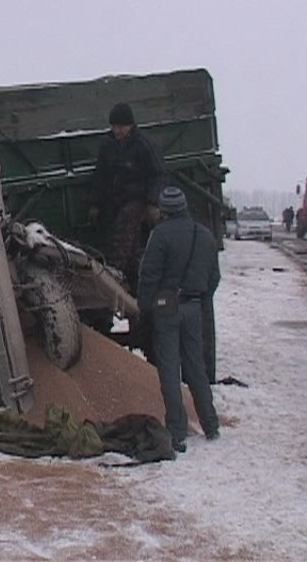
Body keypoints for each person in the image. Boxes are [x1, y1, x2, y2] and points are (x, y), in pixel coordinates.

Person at [137, 186, 220, 453]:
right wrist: (201, 299)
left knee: (170, 369)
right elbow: (214, 277)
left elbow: (148, 275)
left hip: (166, 304)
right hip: (194, 304)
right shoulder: (205, 236)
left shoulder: (159, 235)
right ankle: (210, 424)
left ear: (164, 211)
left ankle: (177, 429)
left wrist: (145, 308)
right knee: (196, 367)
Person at [88, 102, 168, 295]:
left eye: (121, 126)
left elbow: (159, 174)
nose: (117, 130)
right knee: (131, 250)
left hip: (138, 199)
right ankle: (135, 287)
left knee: (124, 227)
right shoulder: (108, 145)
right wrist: (95, 204)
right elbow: (100, 176)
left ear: (130, 125)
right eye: (114, 126)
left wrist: (152, 202)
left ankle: (113, 274)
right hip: (115, 200)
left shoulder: (143, 144)